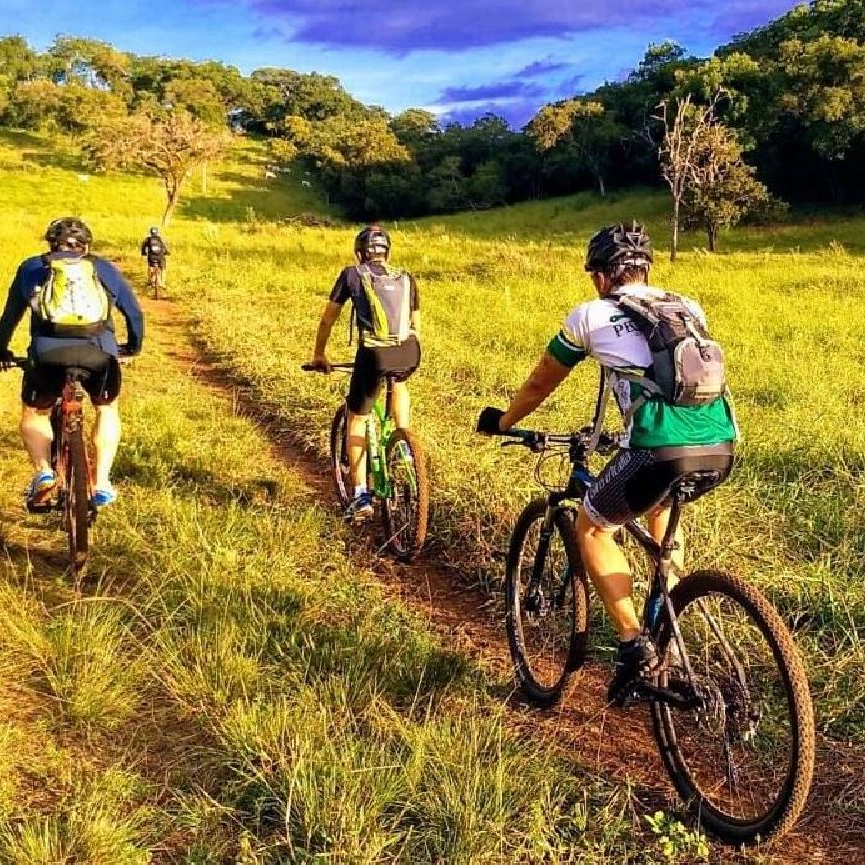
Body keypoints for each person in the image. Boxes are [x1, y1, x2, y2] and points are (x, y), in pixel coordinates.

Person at [476, 221, 738, 705]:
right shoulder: (685, 305)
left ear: (600, 276)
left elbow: (540, 383)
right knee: (661, 516)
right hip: (720, 445)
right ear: (645, 269)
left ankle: (635, 645)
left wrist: (504, 420)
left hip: (656, 448)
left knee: (593, 527)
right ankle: (668, 633)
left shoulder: (590, 316)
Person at [0, 217, 145, 510]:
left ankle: (44, 472)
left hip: (47, 355)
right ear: (86, 246)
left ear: (51, 244)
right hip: (99, 354)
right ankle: (101, 483)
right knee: (106, 408)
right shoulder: (102, 268)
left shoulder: (33, 268)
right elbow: (134, 313)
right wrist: (132, 347)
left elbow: (10, 317)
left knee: (35, 412)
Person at [308, 225, 422, 522]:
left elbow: (327, 320)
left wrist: (319, 354)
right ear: (387, 252)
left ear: (360, 252)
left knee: (357, 416)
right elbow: (415, 326)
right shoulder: (405, 277)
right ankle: (403, 445)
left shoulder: (352, 274)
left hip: (373, 355)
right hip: (409, 351)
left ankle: (360, 495)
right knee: (397, 380)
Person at [140, 226, 169, 291]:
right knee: (163, 269)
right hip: (160, 257)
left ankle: (151, 282)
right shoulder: (161, 239)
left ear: (150, 232)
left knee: (150, 267)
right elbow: (165, 247)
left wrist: (143, 253)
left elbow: (143, 247)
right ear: (157, 232)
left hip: (151, 257)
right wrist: (167, 252)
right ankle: (163, 283)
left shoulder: (148, 239)